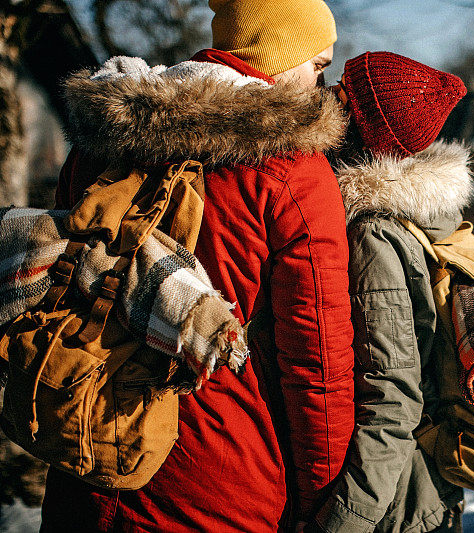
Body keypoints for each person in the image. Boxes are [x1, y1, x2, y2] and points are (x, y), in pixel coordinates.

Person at [41, 1, 355, 531]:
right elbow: (318, 362)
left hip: (87, 457)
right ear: (275, 55)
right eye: (317, 64)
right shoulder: (291, 167)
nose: (318, 83)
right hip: (217, 479)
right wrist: (322, 499)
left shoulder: (106, 139)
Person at [311, 52, 471, 533]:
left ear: (362, 129)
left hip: (397, 508)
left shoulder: (372, 236)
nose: (326, 96)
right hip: (412, 496)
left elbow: (393, 397)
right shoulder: (414, 215)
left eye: (342, 92)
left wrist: (344, 521)